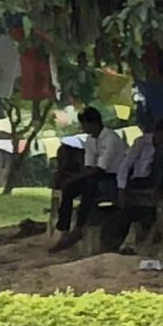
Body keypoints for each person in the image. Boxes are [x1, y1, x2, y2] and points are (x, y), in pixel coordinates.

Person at [106, 115, 163, 251]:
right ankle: (117, 242)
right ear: (160, 132)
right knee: (126, 210)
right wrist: (121, 189)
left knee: (162, 153)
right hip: (141, 179)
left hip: (161, 181)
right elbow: (126, 165)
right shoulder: (141, 143)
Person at [48, 107, 120, 250]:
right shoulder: (89, 140)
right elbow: (89, 165)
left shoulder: (111, 138)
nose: (82, 128)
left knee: (90, 187)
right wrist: (73, 180)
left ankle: (79, 226)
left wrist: (75, 178)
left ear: (92, 123)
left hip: (112, 177)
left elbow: (101, 167)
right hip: (94, 173)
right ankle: (64, 229)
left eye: (84, 124)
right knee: (68, 188)